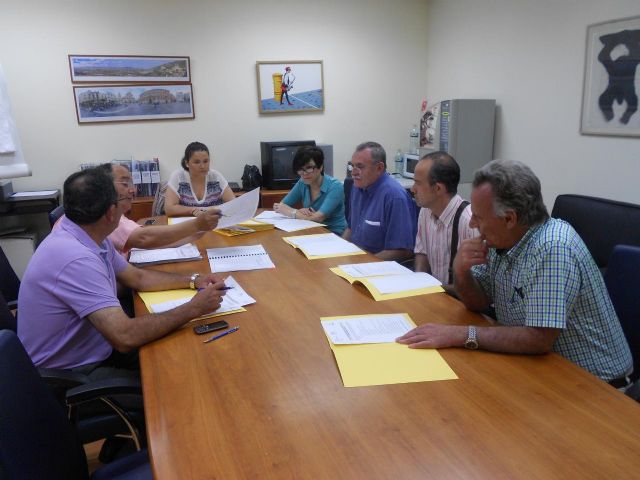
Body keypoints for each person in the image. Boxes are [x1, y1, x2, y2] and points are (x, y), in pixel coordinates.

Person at [397, 160, 633, 384]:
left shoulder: (553, 247)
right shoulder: (503, 239)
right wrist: (461, 271)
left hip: (596, 384)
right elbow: (479, 302)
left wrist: (461, 335)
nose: (472, 224)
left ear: (509, 218)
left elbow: (538, 338)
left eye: (478, 217)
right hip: (539, 366)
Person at [17, 167, 227, 378]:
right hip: (71, 373)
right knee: (178, 371)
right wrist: (194, 307)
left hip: (95, 344)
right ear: (111, 212)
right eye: (122, 198)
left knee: (181, 350)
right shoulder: (76, 258)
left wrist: (194, 280)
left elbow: (138, 278)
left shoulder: (87, 233)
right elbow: (125, 336)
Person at [103, 163, 221, 258]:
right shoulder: (109, 219)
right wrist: (196, 225)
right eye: (125, 184)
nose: (133, 190)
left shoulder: (119, 216)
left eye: (131, 183)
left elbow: (152, 242)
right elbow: (144, 238)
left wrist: (195, 234)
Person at [343, 141, 417, 261]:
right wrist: (338, 251)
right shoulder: (357, 187)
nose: (353, 172)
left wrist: (363, 263)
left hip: (379, 266)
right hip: (356, 260)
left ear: (379, 168)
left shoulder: (394, 197)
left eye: (360, 167)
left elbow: (402, 251)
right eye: (353, 166)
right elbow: (351, 228)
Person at [411, 151, 477, 284]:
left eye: (418, 183)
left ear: (438, 189)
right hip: (436, 292)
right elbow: (422, 252)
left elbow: (478, 283)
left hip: (459, 295)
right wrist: (418, 283)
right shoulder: (425, 211)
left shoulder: (470, 222)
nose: (413, 189)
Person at [273, 145, 347, 235]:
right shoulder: (302, 182)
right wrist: (300, 212)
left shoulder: (335, 186)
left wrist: (294, 212)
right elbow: (281, 206)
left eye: (309, 168)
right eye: (300, 169)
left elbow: (319, 218)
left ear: (320, 167)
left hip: (333, 233)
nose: (304, 173)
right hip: (311, 229)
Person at [164, 141, 235, 217]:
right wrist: (193, 211)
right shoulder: (178, 177)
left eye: (206, 161)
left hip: (214, 222)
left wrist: (204, 211)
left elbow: (234, 204)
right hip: (188, 223)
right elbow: (169, 209)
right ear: (187, 163)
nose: (202, 166)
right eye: (197, 162)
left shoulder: (216, 177)